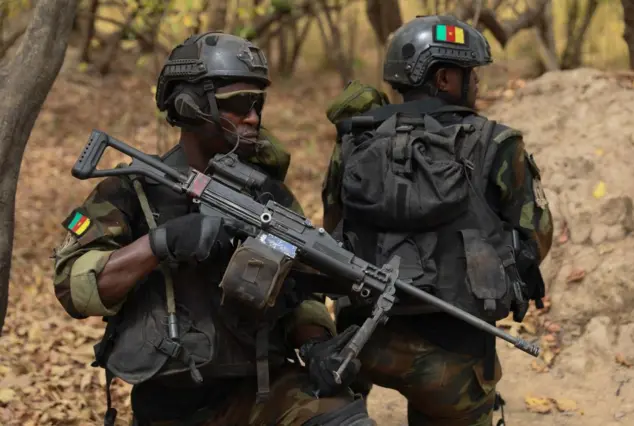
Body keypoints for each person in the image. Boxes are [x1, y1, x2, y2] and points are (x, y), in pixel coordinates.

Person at [52, 32, 373, 426]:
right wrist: (161, 243)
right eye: (238, 105)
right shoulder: (132, 191)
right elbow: (73, 286)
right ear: (190, 106)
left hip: (263, 392)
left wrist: (317, 344)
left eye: (258, 103)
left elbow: (298, 288)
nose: (253, 117)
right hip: (169, 407)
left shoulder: (268, 196)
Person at [320, 15, 554, 426]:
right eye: (471, 74)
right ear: (445, 78)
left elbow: (333, 230)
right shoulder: (498, 143)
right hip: (457, 352)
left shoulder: (354, 141)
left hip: (364, 343)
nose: (477, 84)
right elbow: (537, 239)